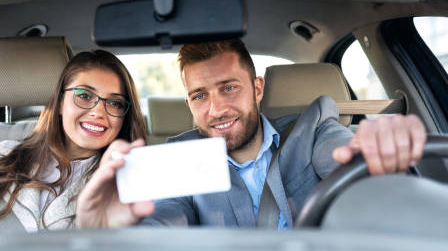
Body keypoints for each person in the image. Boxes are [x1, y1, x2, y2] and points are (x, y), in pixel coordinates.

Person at [75, 39, 426, 228]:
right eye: (200, 96)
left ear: (257, 88)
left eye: (229, 88)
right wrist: (116, 231)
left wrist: (379, 159)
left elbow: (348, 164)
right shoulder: (179, 157)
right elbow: (166, 219)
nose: (216, 110)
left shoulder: (315, 129)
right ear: (189, 102)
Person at [0, 50, 147, 246]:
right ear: (60, 103)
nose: (99, 111)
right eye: (84, 96)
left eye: (115, 103)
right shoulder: (5, 155)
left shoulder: (124, 181)